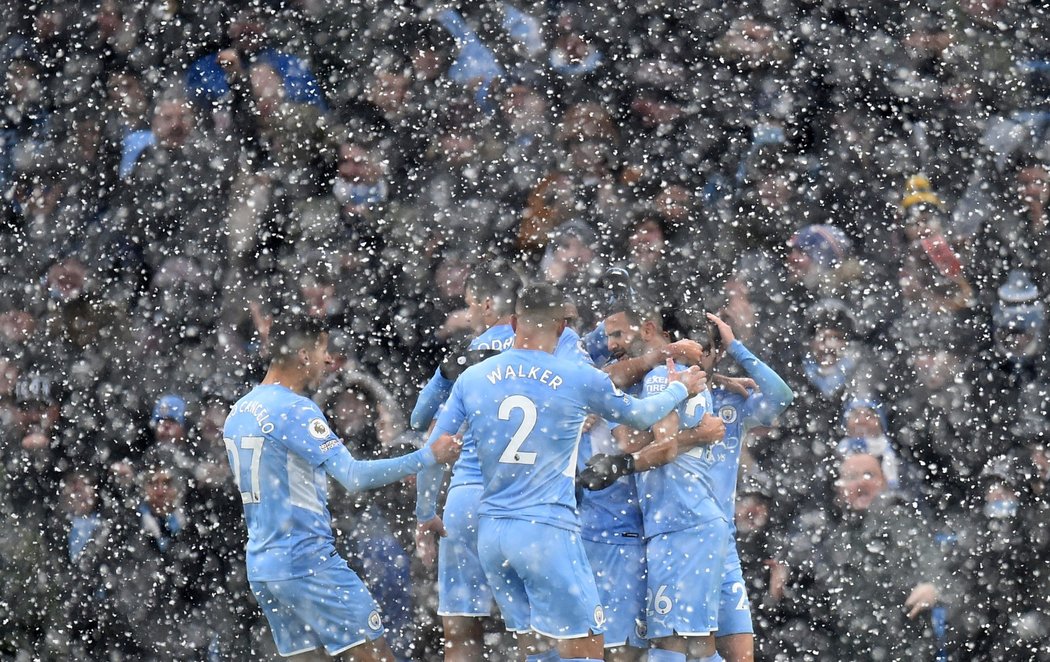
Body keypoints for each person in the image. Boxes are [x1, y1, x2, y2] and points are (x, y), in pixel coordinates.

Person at [421, 283, 706, 662]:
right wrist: (679, 389)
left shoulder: (474, 376)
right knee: (586, 647)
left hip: (492, 532)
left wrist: (425, 512)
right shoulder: (576, 376)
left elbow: (431, 449)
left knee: (534, 647)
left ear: (513, 321)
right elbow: (640, 415)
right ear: (560, 327)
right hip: (544, 531)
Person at [223, 313, 462, 661]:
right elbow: (354, 477)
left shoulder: (239, 412)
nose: (328, 361)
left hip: (264, 567)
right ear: (303, 354)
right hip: (308, 562)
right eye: (322, 350)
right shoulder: (295, 409)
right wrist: (427, 456)